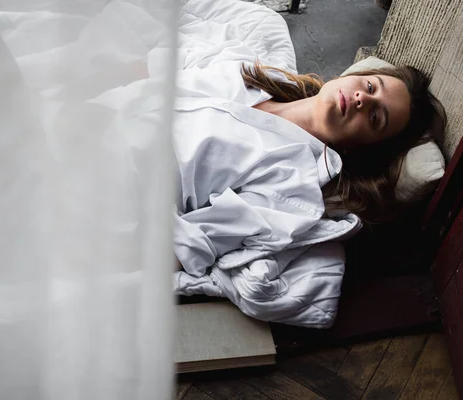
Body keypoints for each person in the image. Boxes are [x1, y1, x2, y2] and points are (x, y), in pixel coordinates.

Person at [172, 50, 445, 278]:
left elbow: (188, 246)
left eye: (375, 117)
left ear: (363, 148)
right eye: (370, 86)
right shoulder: (258, 78)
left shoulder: (295, 184)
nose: (363, 98)